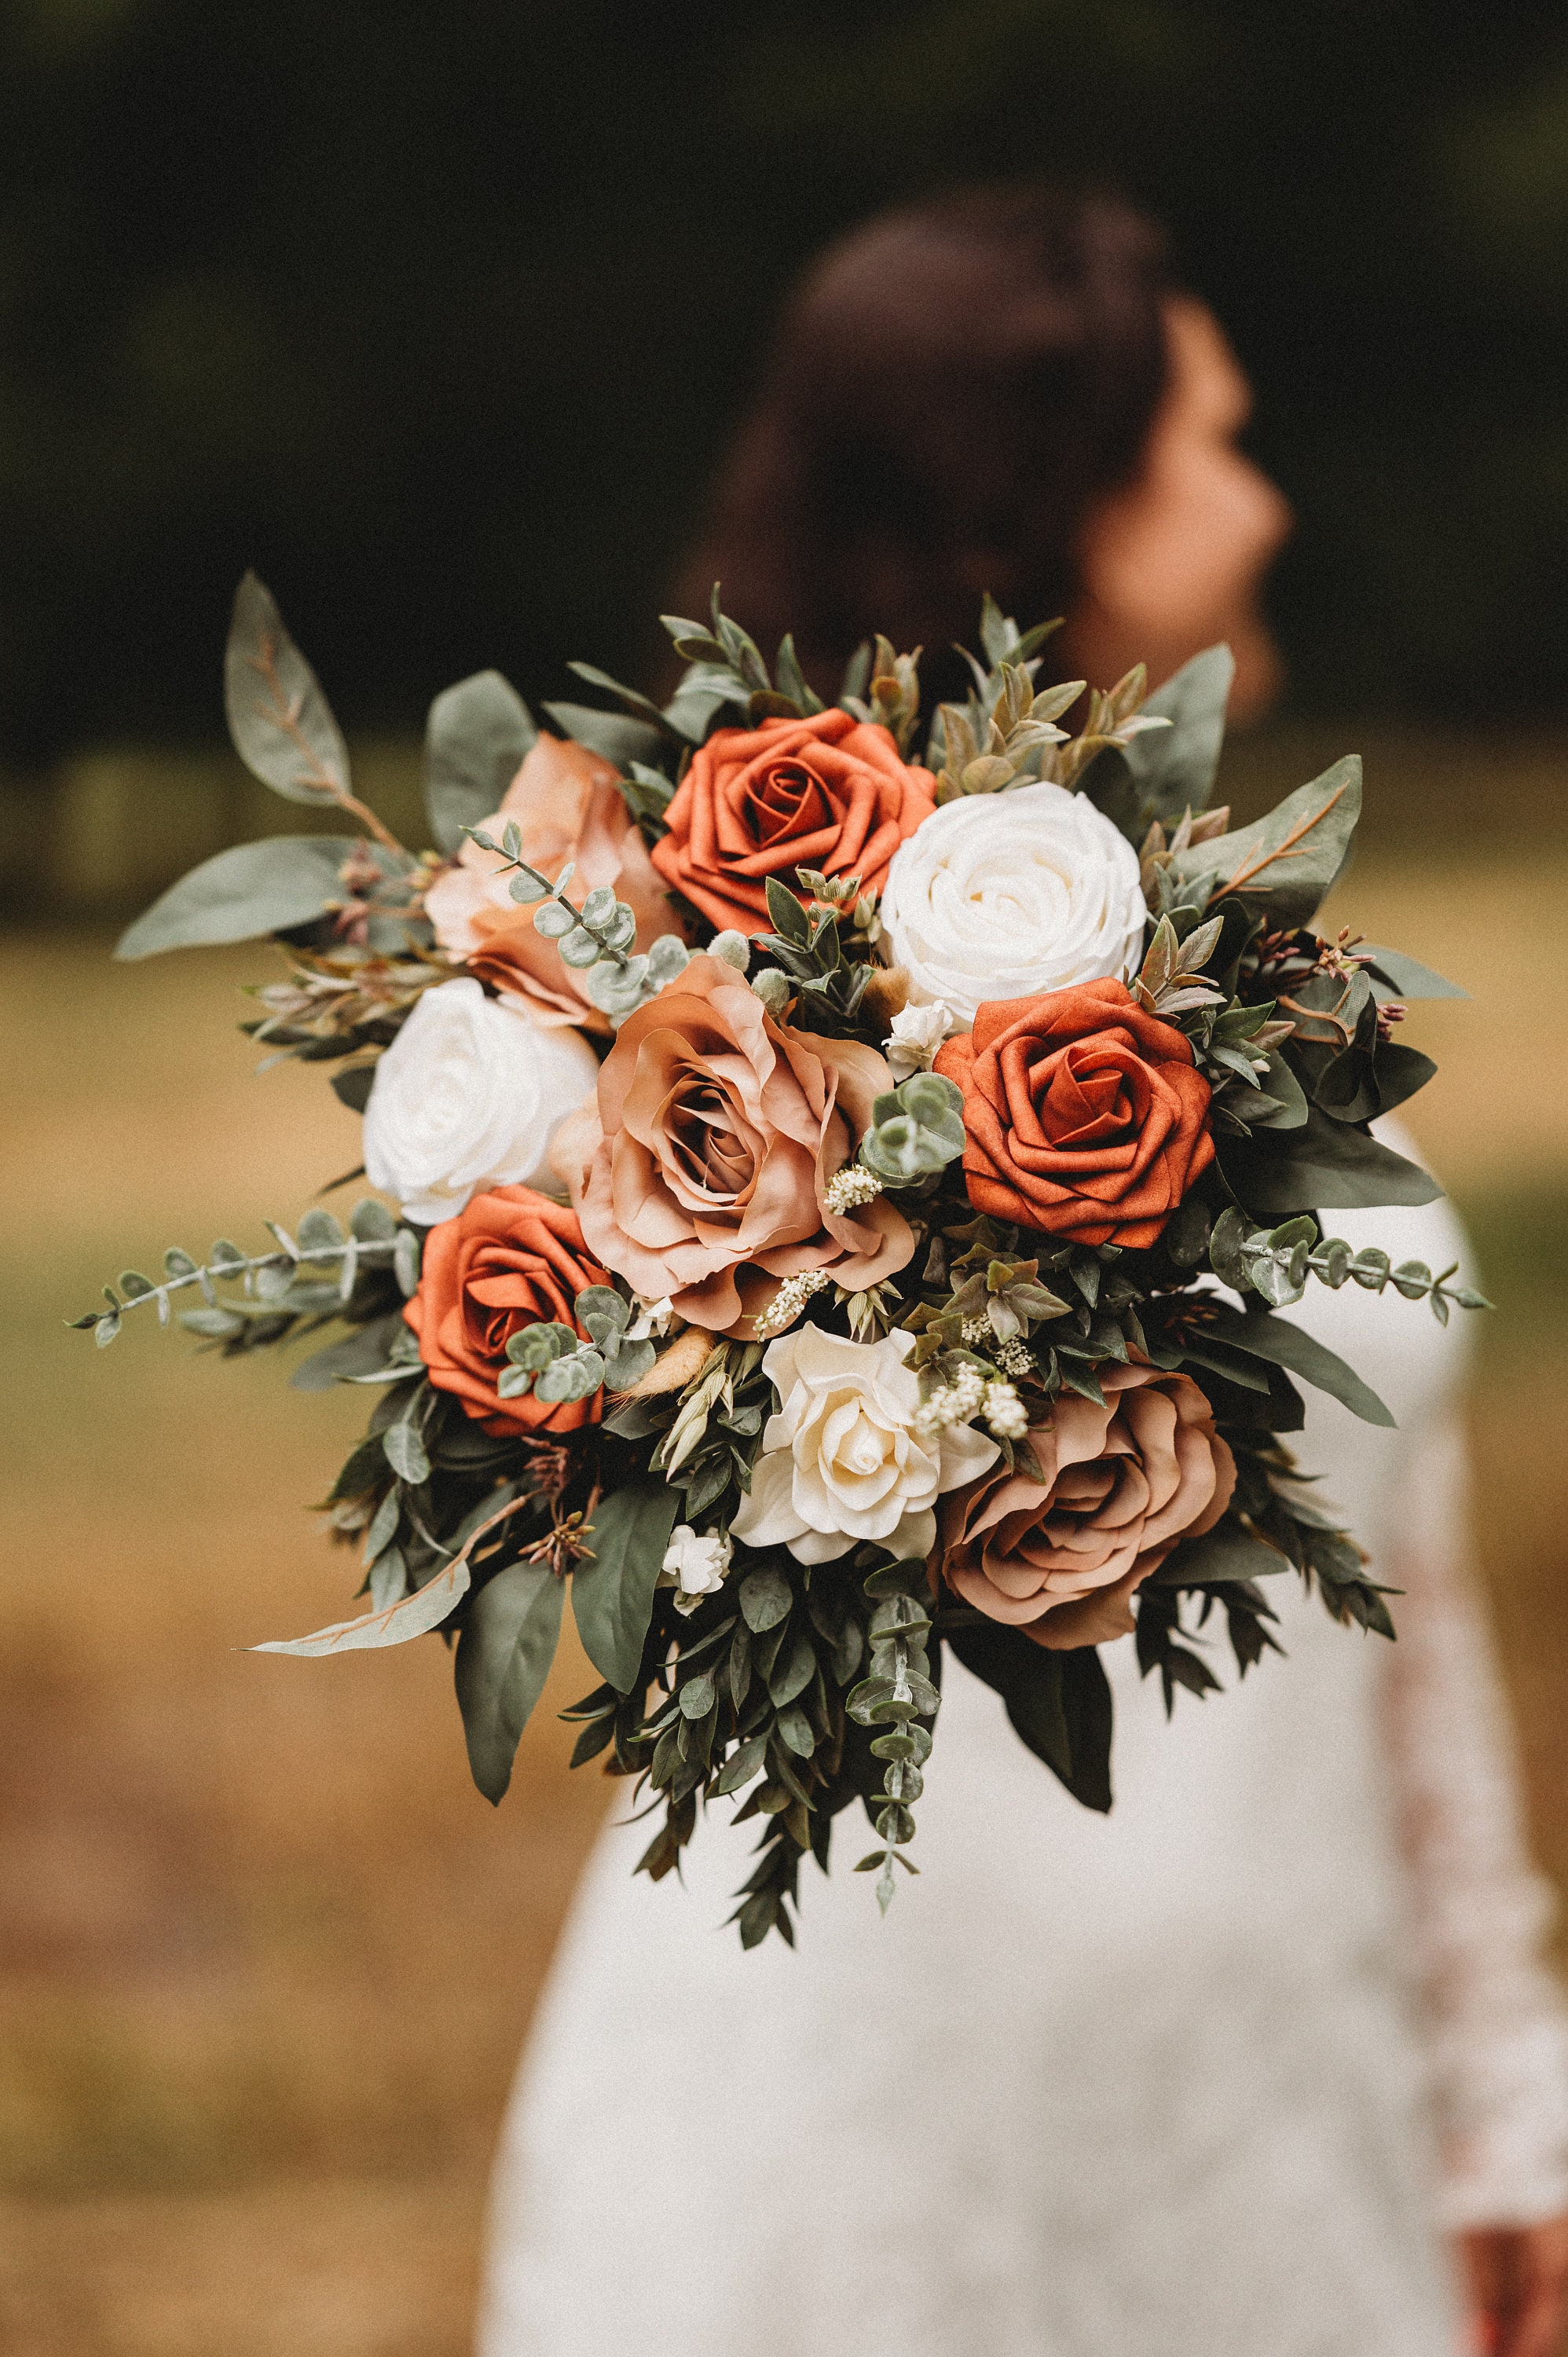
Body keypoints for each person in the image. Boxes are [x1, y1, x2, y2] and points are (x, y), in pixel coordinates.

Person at [477, 187, 1568, 2357]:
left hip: (1267, 2125)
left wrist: (1505, 2108)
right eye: (1213, 446)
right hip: (843, 2130)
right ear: (1055, 497)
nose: (1261, 507)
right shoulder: (714, 1057)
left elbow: (1396, 1615)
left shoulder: (1254, 1017)